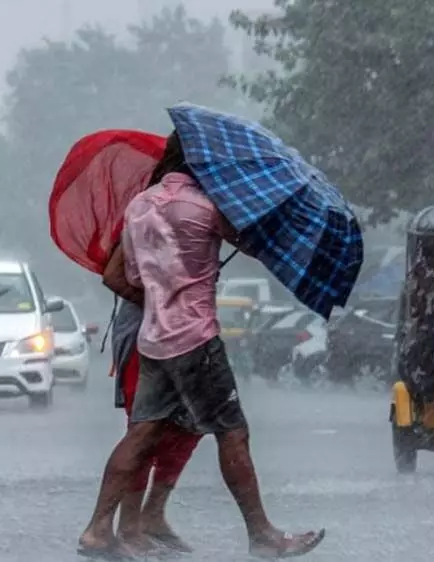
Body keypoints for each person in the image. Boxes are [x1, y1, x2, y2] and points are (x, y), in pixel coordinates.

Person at [78, 132, 325, 559]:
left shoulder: (138, 207)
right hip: (195, 339)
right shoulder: (205, 207)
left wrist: (161, 295)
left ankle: (98, 529)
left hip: (153, 339)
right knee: (232, 433)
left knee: (141, 434)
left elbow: (127, 276)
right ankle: (263, 535)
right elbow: (253, 244)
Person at [103, 254, 201, 554]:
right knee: (145, 430)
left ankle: (153, 515)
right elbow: (114, 276)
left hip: (185, 336)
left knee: (189, 427)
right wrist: (159, 305)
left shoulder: (192, 218)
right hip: (144, 340)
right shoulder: (143, 213)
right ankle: (128, 527)